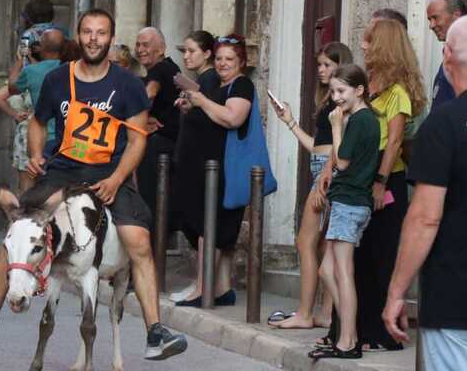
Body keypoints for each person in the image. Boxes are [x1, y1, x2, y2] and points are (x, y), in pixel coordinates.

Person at [0, 8, 188, 360]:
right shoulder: (58, 80)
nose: (94, 38)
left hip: (109, 172)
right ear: (79, 37)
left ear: (110, 37)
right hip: (63, 171)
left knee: (138, 239)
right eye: (88, 32)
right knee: (18, 227)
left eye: (102, 32)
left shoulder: (129, 86)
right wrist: (34, 153)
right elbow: (37, 122)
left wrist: (117, 178)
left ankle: (156, 332)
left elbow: (138, 140)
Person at [383, 13, 467, 371]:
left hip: (459, 298)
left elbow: (425, 217)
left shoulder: (443, 125)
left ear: (446, 58)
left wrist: (396, 292)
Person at [320, 18, 426, 351]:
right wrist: (328, 167)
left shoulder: (399, 92)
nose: (363, 46)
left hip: (383, 176)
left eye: (368, 40)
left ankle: (376, 334)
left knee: (378, 257)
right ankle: (351, 330)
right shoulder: (365, 84)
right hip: (359, 174)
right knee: (356, 261)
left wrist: (380, 182)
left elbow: (394, 143)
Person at [266, 42, 353, 329]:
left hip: (328, 173)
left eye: (327, 64)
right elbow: (316, 146)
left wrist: (323, 181)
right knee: (322, 245)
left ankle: (305, 313)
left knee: (306, 241)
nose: (321, 70)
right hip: (322, 166)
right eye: (319, 65)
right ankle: (324, 313)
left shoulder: (342, 100)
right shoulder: (329, 100)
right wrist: (290, 122)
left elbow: (337, 149)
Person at [171, 35, 255, 307]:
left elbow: (233, 118)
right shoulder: (223, 85)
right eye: (219, 58)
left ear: (241, 61)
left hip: (226, 167)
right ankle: (220, 288)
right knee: (215, 227)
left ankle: (202, 290)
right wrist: (192, 106)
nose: (222, 63)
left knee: (213, 227)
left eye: (229, 59)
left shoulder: (242, 84)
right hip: (215, 167)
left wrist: (201, 102)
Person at [306, 64, 380, 359]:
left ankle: (348, 339)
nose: (335, 97)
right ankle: (348, 328)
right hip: (347, 201)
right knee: (327, 269)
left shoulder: (362, 120)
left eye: (341, 91)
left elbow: (343, 162)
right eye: (333, 91)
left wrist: (336, 127)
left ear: (359, 90)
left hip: (351, 202)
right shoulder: (360, 119)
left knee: (343, 271)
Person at [135, 27, 181, 227]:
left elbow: (148, 95)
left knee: (151, 204)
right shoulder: (170, 68)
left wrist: (134, 119)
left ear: (161, 48)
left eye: (146, 44)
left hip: (160, 147)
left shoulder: (161, 69)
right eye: (138, 44)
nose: (140, 49)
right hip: (168, 145)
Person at [9, 28, 64, 151]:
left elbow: (12, 88)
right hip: (67, 137)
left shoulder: (31, 71)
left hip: (43, 138)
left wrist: (20, 60)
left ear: (42, 47)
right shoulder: (71, 66)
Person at [426, 0, 466, 109]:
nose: (431, 25)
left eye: (435, 18)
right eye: (429, 20)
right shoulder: (449, 55)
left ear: (456, 16)